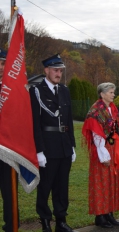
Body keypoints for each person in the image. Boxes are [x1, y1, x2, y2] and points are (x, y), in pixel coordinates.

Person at [29, 54, 76, 232]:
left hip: (64, 145)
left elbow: (69, 120)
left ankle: (61, 220)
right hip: (47, 146)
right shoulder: (36, 91)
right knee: (45, 186)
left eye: (61, 71)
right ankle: (45, 221)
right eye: (55, 70)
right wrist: (39, 150)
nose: (59, 73)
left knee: (62, 186)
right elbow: (35, 122)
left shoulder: (64, 90)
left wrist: (72, 145)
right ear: (46, 70)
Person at [82, 82, 119, 228]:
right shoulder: (96, 110)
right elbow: (96, 133)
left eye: (113, 92)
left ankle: (110, 213)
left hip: (114, 148)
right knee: (101, 182)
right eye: (111, 92)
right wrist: (103, 153)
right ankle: (100, 216)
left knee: (112, 181)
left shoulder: (113, 108)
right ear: (102, 94)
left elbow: (118, 128)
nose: (113, 94)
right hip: (103, 150)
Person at [0, 49, 19, 232]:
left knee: (9, 191)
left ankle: (11, 225)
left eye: (3, 63)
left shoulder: (15, 91)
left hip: (7, 149)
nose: (0, 67)